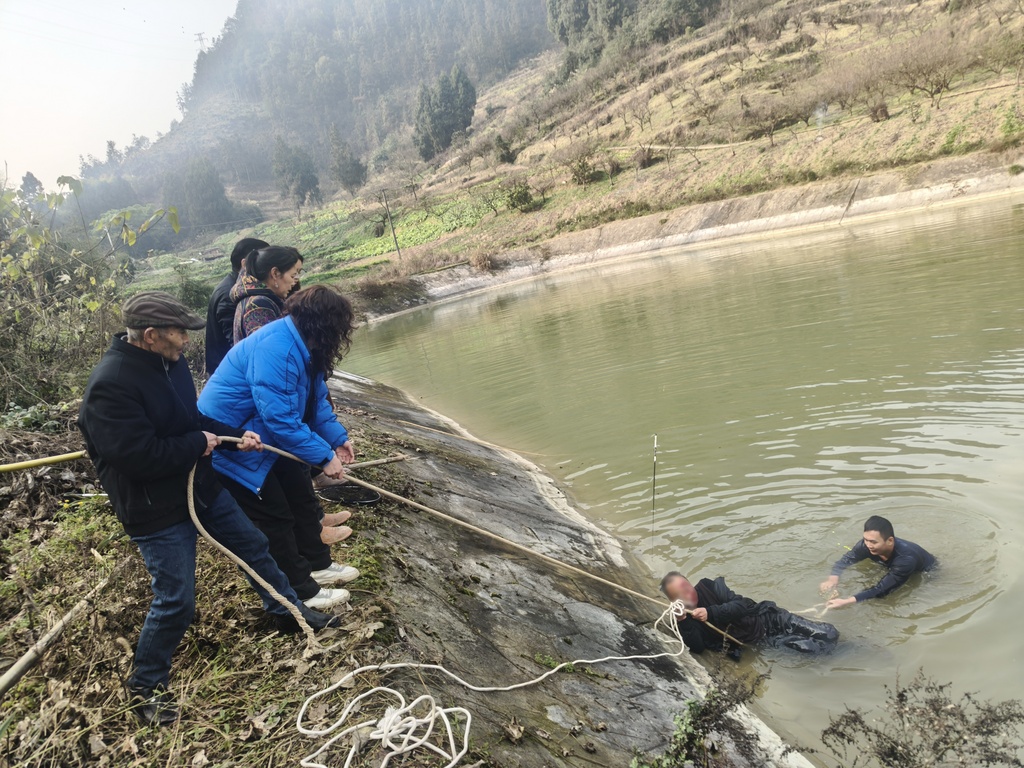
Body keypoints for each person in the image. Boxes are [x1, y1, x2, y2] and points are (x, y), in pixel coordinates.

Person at [77, 291, 341, 726]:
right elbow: (138, 457)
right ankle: (146, 684)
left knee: (254, 545)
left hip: (201, 486)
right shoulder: (111, 386)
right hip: (154, 508)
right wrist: (197, 444)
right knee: (176, 597)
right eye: (179, 333)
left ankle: (288, 612)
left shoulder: (171, 363)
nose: (186, 341)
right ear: (150, 335)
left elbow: (192, 419)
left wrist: (233, 433)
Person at [199, 285, 362, 609]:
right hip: (233, 445)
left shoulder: (306, 346)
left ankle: (319, 566)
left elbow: (314, 404)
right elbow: (282, 420)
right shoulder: (277, 348)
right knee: (276, 516)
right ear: (322, 324)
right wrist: (324, 457)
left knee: (301, 498)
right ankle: (302, 590)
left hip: (266, 440)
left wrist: (336, 439)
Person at [229, 245, 353, 543]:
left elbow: (315, 396)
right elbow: (279, 406)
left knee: (295, 471)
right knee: (287, 482)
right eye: (293, 274)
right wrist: (324, 456)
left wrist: (336, 438)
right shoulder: (262, 313)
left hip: (269, 411)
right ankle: (311, 537)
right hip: (250, 422)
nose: (295, 281)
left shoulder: (293, 336)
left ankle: (314, 526)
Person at [660, 572, 839, 655]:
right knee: (811, 648)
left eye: (686, 587)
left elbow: (740, 606)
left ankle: (854, 649)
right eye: (680, 594)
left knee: (828, 633)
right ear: (674, 601)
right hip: (764, 641)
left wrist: (710, 612)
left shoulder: (709, 586)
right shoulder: (684, 619)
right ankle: (844, 657)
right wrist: (683, 620)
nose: (687, 593)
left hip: (770, 619)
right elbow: (698, 648)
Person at [820, 515, 936, 609]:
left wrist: (847, 601)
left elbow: (882, 589)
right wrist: (833, 578)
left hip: (926, 571)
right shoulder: (864, 545)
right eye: (866, 540)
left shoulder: (906, 560)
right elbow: (847, 559)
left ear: (890, 541)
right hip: (891, 565)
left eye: (873, 542)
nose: (868, 545)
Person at [205, 237, 268, 376]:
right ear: (245, 264)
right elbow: (236, 343)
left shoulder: (236, 288)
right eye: (264, 260)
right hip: (232, 378)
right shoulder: (230, 294)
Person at [231, 245, 304, 344]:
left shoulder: (256, 298)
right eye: (292, 275)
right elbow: (269, 350)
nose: (295, 281)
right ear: (275, 273)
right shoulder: (259, 305)